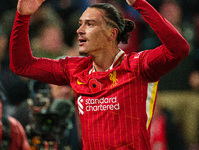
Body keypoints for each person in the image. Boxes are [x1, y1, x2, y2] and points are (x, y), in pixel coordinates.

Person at [9, 0, 189, 149]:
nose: (79, 30)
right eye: (80, 24)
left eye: (90, 24)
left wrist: (139, 4)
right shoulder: (74, 69)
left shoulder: (138, 66)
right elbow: (22, 66)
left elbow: (178, 49)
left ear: (112, 34)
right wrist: (23, 17)